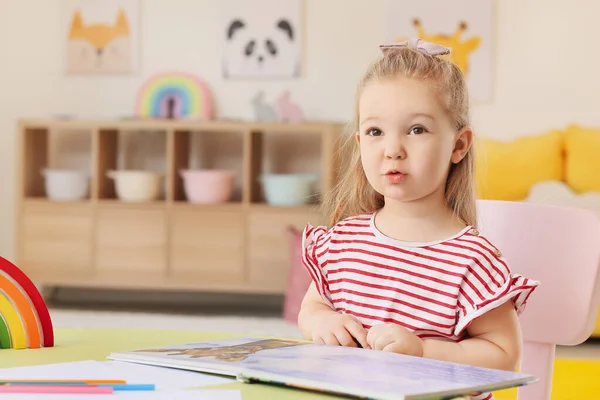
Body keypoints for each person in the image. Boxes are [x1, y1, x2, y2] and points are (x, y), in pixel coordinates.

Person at [297, 38, 540, 400]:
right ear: (360, 143)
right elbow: (311, 308)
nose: (392, 149)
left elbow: (504, 354)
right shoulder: (343, 241)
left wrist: (424, 351)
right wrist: (324, 322)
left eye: (417, 130)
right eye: (375, 132)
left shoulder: (471, 260)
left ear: (459, 146)